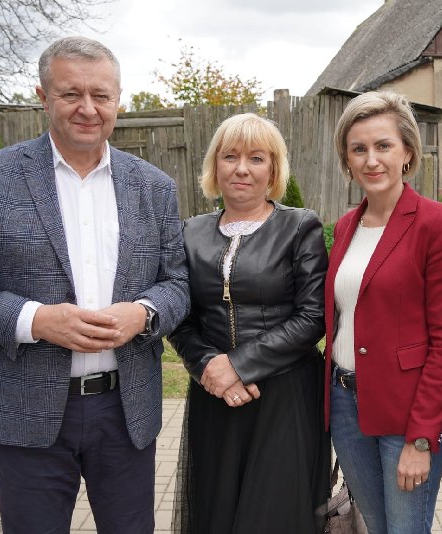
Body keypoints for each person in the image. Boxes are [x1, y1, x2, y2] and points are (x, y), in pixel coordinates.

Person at [0, 36, 189, 533]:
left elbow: (176, 282)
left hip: (126, 410)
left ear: (118, 99)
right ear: (43, 97)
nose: (88, 108)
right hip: (26, 409)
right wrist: (37, 320)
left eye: (101, 95)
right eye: (71, 94)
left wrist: (144, 313)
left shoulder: (154, 186)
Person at [168, 113, 330, 534]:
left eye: (256, 158)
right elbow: (180, 318)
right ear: (215, 165)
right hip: (214, 394)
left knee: (276, 515)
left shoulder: (299, 226)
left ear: (273, 170)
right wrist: (209, 368)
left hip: (285, 395)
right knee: (217, 511)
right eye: (230, 157)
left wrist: (238, 366)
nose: (242, 168)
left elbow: (313, 316)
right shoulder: (190, 233)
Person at [324, 91, 442, 534]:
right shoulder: (346, 226)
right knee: (376, 526)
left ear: (407, 152)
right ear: (347, 159)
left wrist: (421, 437)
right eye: (359, 149)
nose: (371, 160)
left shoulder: (436, 223)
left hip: (406, 413)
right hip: (346, 405)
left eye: (383, 146)